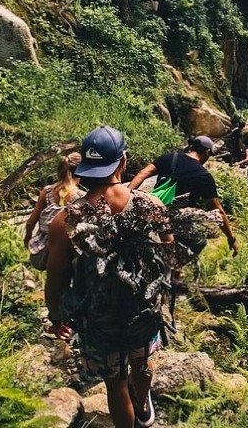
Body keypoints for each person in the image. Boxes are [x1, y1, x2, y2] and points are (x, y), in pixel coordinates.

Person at [48, 126, 175, 428]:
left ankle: (131, 411)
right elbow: (169, 254)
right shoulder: (151, 204)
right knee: (141, 363)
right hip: (143, 311)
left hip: (97, 319)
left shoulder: (64, 221)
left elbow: (55, 280)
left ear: (86, 169)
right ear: (123, 162)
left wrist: (56, 316)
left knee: (115, 384)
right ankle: (143, 404)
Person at [128, 135, 239, 258]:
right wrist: (231, 239)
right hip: (175, 220)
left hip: (153, 207)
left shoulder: (170, 157)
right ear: (207, 152)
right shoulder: (203, 176)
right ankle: (172, 264)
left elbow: (143, 173)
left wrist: (127, 196)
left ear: (192, 147)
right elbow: (219, 212)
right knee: (199, 242)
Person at [24, 152, 83, 340]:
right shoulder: (80, 196)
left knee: (53, 284)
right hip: (69, 249)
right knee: (71, 283)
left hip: (46, 247)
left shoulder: (47, 192)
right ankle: (71, 321)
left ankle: (57, 322)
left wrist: (27, 238)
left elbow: (32, 220)